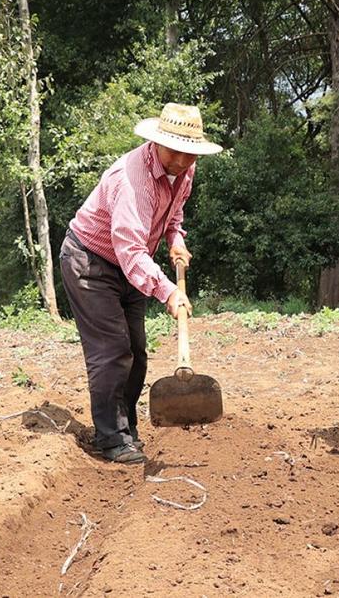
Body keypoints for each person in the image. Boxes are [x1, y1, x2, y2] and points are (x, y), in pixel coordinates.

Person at [59, 102, 222, 464]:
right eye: (175, 152)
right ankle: (111, 439)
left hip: (132, 265)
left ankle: (126, 429)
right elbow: (129, 248)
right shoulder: (131, 180)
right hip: (91, 262)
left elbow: (173, 215)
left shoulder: (184, 172)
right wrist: (168, 291)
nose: (182, 161)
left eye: (190, 154)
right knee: (112, 351)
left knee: (136, 353)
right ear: (157, 143)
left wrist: (176, 240)